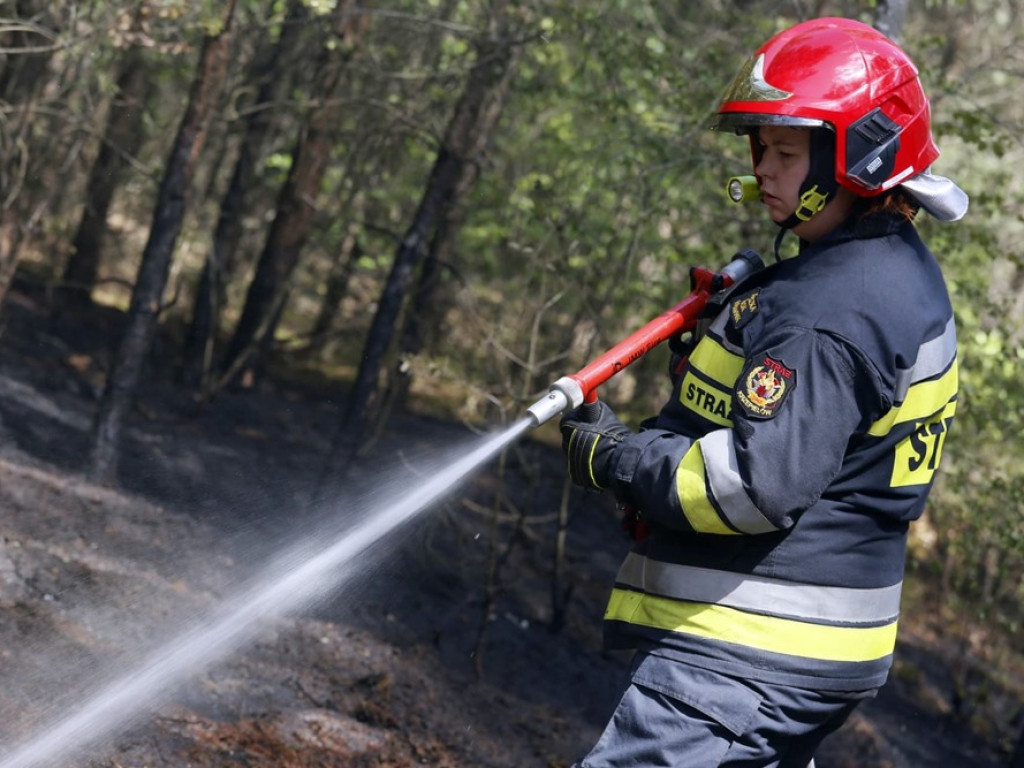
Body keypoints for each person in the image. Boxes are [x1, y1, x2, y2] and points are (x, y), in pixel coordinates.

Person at [559, 17, 968, 768]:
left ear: (860, 156)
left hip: (746, 657)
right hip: (794, 651)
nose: (765, 170)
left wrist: (616, 458)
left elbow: (749, 487)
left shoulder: (832, 308)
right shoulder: (883, 269)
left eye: (785, 151)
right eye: (760, 149)